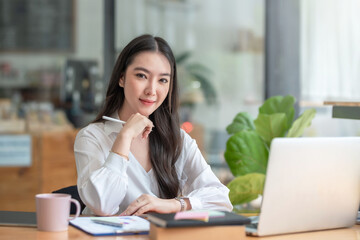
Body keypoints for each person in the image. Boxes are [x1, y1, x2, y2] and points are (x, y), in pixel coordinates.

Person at [74, 34, 233, 216]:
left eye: (162, 80)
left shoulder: (177, 139)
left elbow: (221, 199)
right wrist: (124, 137)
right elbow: (102, 206)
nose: (152, 90)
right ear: (122, 78)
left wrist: (175, 205)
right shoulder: (92, 137)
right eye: (141, 76)